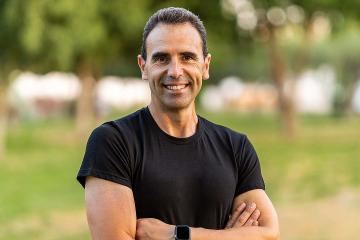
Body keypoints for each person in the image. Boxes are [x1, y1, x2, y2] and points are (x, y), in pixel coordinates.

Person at [77, 7, 279, 240]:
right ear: (144, 67)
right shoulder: (113, 142)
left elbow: (269, 234)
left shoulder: (235, 147)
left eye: (187, 57)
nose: (175, 71)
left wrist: (179, 235)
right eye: (162, 58)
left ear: (205, 66)